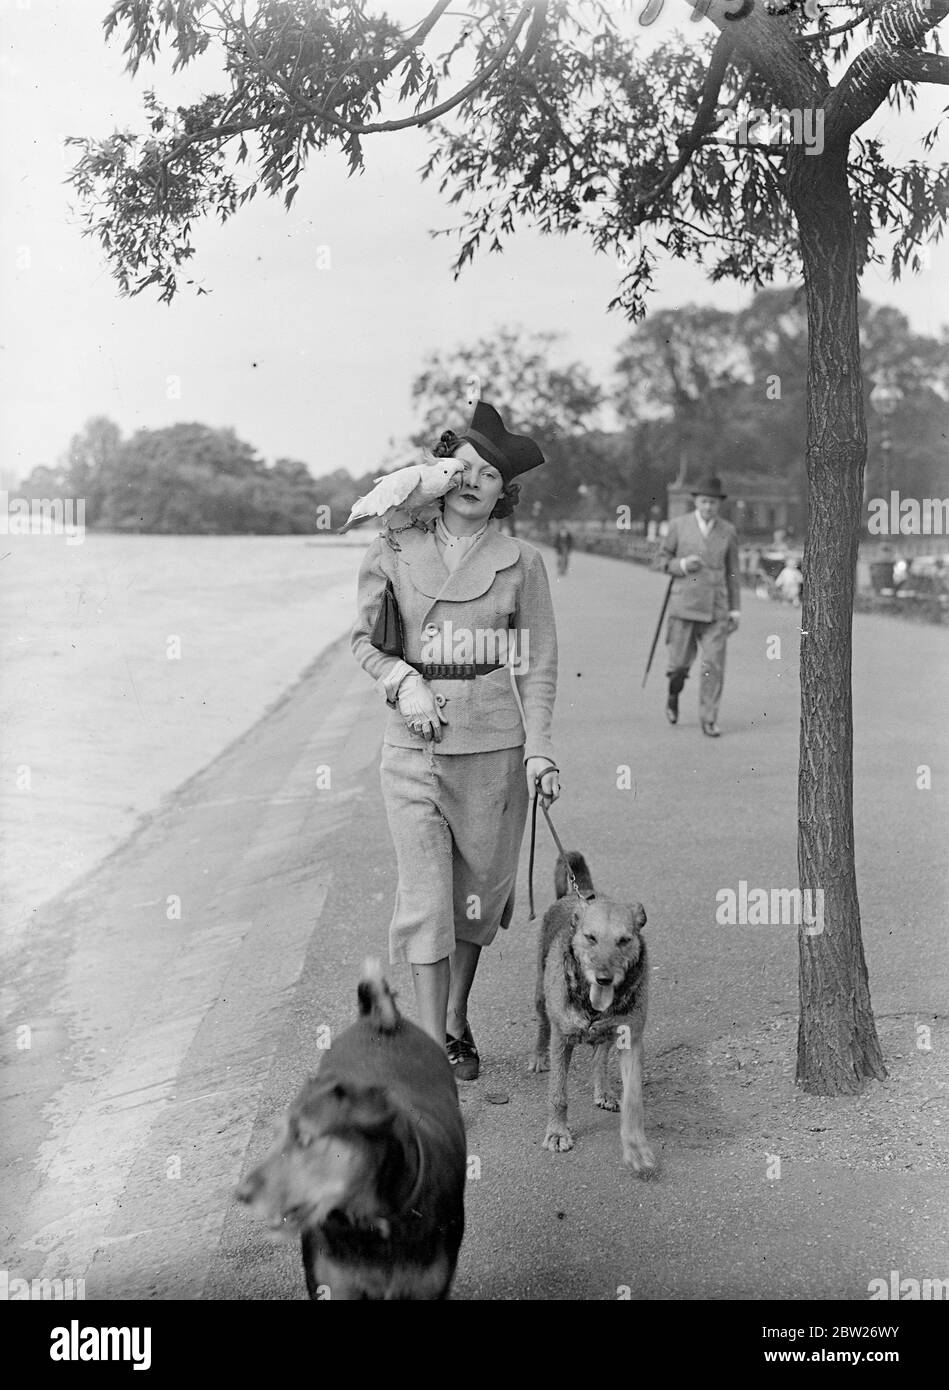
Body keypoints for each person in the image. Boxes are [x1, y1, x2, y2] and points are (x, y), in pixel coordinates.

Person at [351, 401, 560, 1080]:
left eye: (489, 475)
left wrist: (539, 747)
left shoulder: (521, 562)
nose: (472, 481)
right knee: (424, 897)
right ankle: (430, 1046)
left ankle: (453, 1019)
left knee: (477, 898)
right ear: (440, 474)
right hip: (411, 746)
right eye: (461, 468)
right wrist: (401, 680)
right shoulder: (391, 547)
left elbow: (537, 663)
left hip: (493, 747)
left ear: (505, 492)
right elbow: (365, 642)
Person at [652, 474, 741, 738]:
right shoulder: (679, 526)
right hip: (684, 606)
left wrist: (735, 610)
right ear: (696, 502)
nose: (708, 507)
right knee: (679, 665)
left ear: (719, 504)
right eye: (704, 502)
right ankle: (673, 693)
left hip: (716, 608)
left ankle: (709, 718)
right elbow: (659, 559)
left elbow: (733, 574)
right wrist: (680, 565)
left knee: (713, 665)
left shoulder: (728, 531)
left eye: (713, 503)